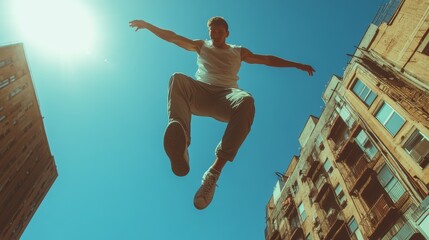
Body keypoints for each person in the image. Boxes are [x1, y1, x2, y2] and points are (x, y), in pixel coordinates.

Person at [129, 16, 315, 210]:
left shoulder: (238, 51)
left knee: (246, 100)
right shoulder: (201, 46)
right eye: (212, 31)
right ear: (208, 32)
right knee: (177, 79)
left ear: (227, 33)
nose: (215, 35)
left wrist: (296, 64)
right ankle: (181, 140)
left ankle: (214, 173)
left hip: (225, 97)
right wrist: (148, 26)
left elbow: (267, 59)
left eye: (219, 32)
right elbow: (173, 37)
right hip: (200, 93)